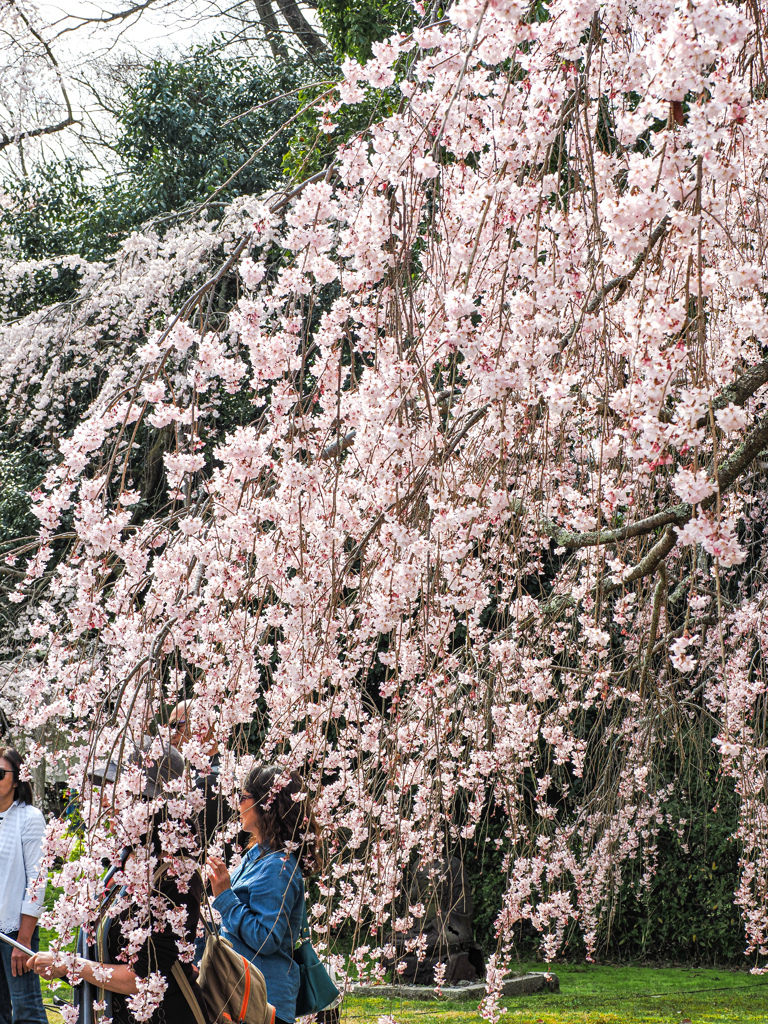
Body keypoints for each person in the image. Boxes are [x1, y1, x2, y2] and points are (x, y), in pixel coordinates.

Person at [28, 739, 210, 1024]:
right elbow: (102, 950)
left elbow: (145, 979)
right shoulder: (122, 862)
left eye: (118, 791)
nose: (105, 801)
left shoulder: (176, 877)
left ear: (148, 804)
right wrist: (70, 968)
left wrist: (73, 964)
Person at [208, 767, 320, 1024]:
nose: (237, 804)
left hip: (263, 1005)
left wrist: (225, 897)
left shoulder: (277, 867)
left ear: (266, 804)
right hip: (242, 997)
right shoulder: (256, 856)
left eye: (243, 797)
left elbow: (266, 937)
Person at [0, 746, 47, 1024]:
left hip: (16, 931)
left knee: (27, 1010)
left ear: (16, 779)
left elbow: (37, 881)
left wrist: (24, 940)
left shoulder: (29, 818)